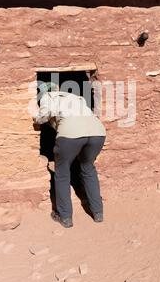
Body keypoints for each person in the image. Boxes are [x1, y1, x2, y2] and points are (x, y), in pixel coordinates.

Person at [32, 81, 106, 228]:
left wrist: (36, 119)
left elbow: (44, 115)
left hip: (70, 135)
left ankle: (65, 216)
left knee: (62, 172)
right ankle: (98, 212)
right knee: (88, 168)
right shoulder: (76, 97)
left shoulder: (48, 97)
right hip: (98, 132)